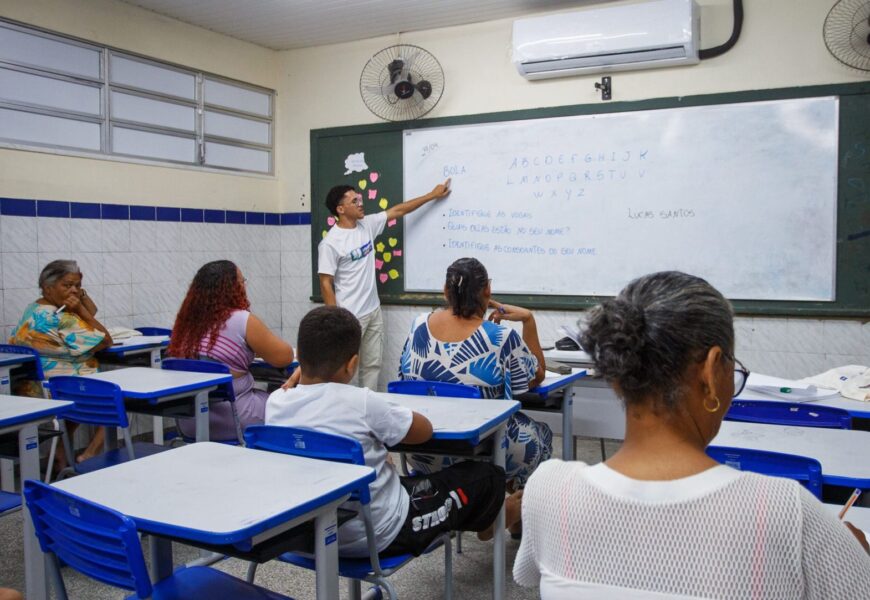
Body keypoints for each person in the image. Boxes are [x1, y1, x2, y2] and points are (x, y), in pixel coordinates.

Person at [514, 271, 870, 599]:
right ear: (713, 370)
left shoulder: (548, 490)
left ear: (615, 372)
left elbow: (527, 575)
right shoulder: (786, 512)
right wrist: (850, 557)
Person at [267, 306, 519, 557]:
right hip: (377, 533)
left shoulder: (276, 402)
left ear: (299, 355)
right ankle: (497, 517)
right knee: (485, 475)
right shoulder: (363, 403)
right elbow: (423, 431)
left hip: (304, 537)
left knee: (407, 481)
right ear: (352, 364)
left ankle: (490, 519)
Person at [397, 257, 551, 490]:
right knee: (542, 436)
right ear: (487, 290)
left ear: (444, 291)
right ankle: (505, 516)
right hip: (482, 449)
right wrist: (528, 321)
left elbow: (402, 378)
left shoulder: (418, 325)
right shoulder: (500, 337)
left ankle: (482, 510)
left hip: (422, 449)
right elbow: (536, 377)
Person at [318, 179, 451, 391]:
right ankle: (339, 411)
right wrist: (335, 319)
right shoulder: (330, 243)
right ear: (340, 209)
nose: (361, 203)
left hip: (373, 311)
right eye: (354, 201)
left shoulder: (367, 225)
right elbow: (325, 282)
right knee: (341, 369)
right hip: (349, 316)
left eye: (360, 199)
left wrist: (431, 195)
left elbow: (398, 211)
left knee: (372, 366)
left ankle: (366, 408)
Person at [168, 260, 294, 440]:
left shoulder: (185, 323)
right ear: (233, 288)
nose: (244, 286)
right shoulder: (242, 320)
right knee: (287, 404)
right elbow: (285, 357)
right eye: (242, 282)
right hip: (235, 418)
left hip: (190, 422)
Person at [9, 259, 113, 468]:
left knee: (84, 400)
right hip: (59, 389)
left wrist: (78, 296)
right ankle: (90, 454)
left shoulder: (35, 308)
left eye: (78, 286)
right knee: (117, 398)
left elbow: (91, 312)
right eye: (67, 285)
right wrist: (80, 311)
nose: (74, 290)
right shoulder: (60, 317)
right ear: (48, 288)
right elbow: (105, 340)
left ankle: (59, 453)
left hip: (36, 386)